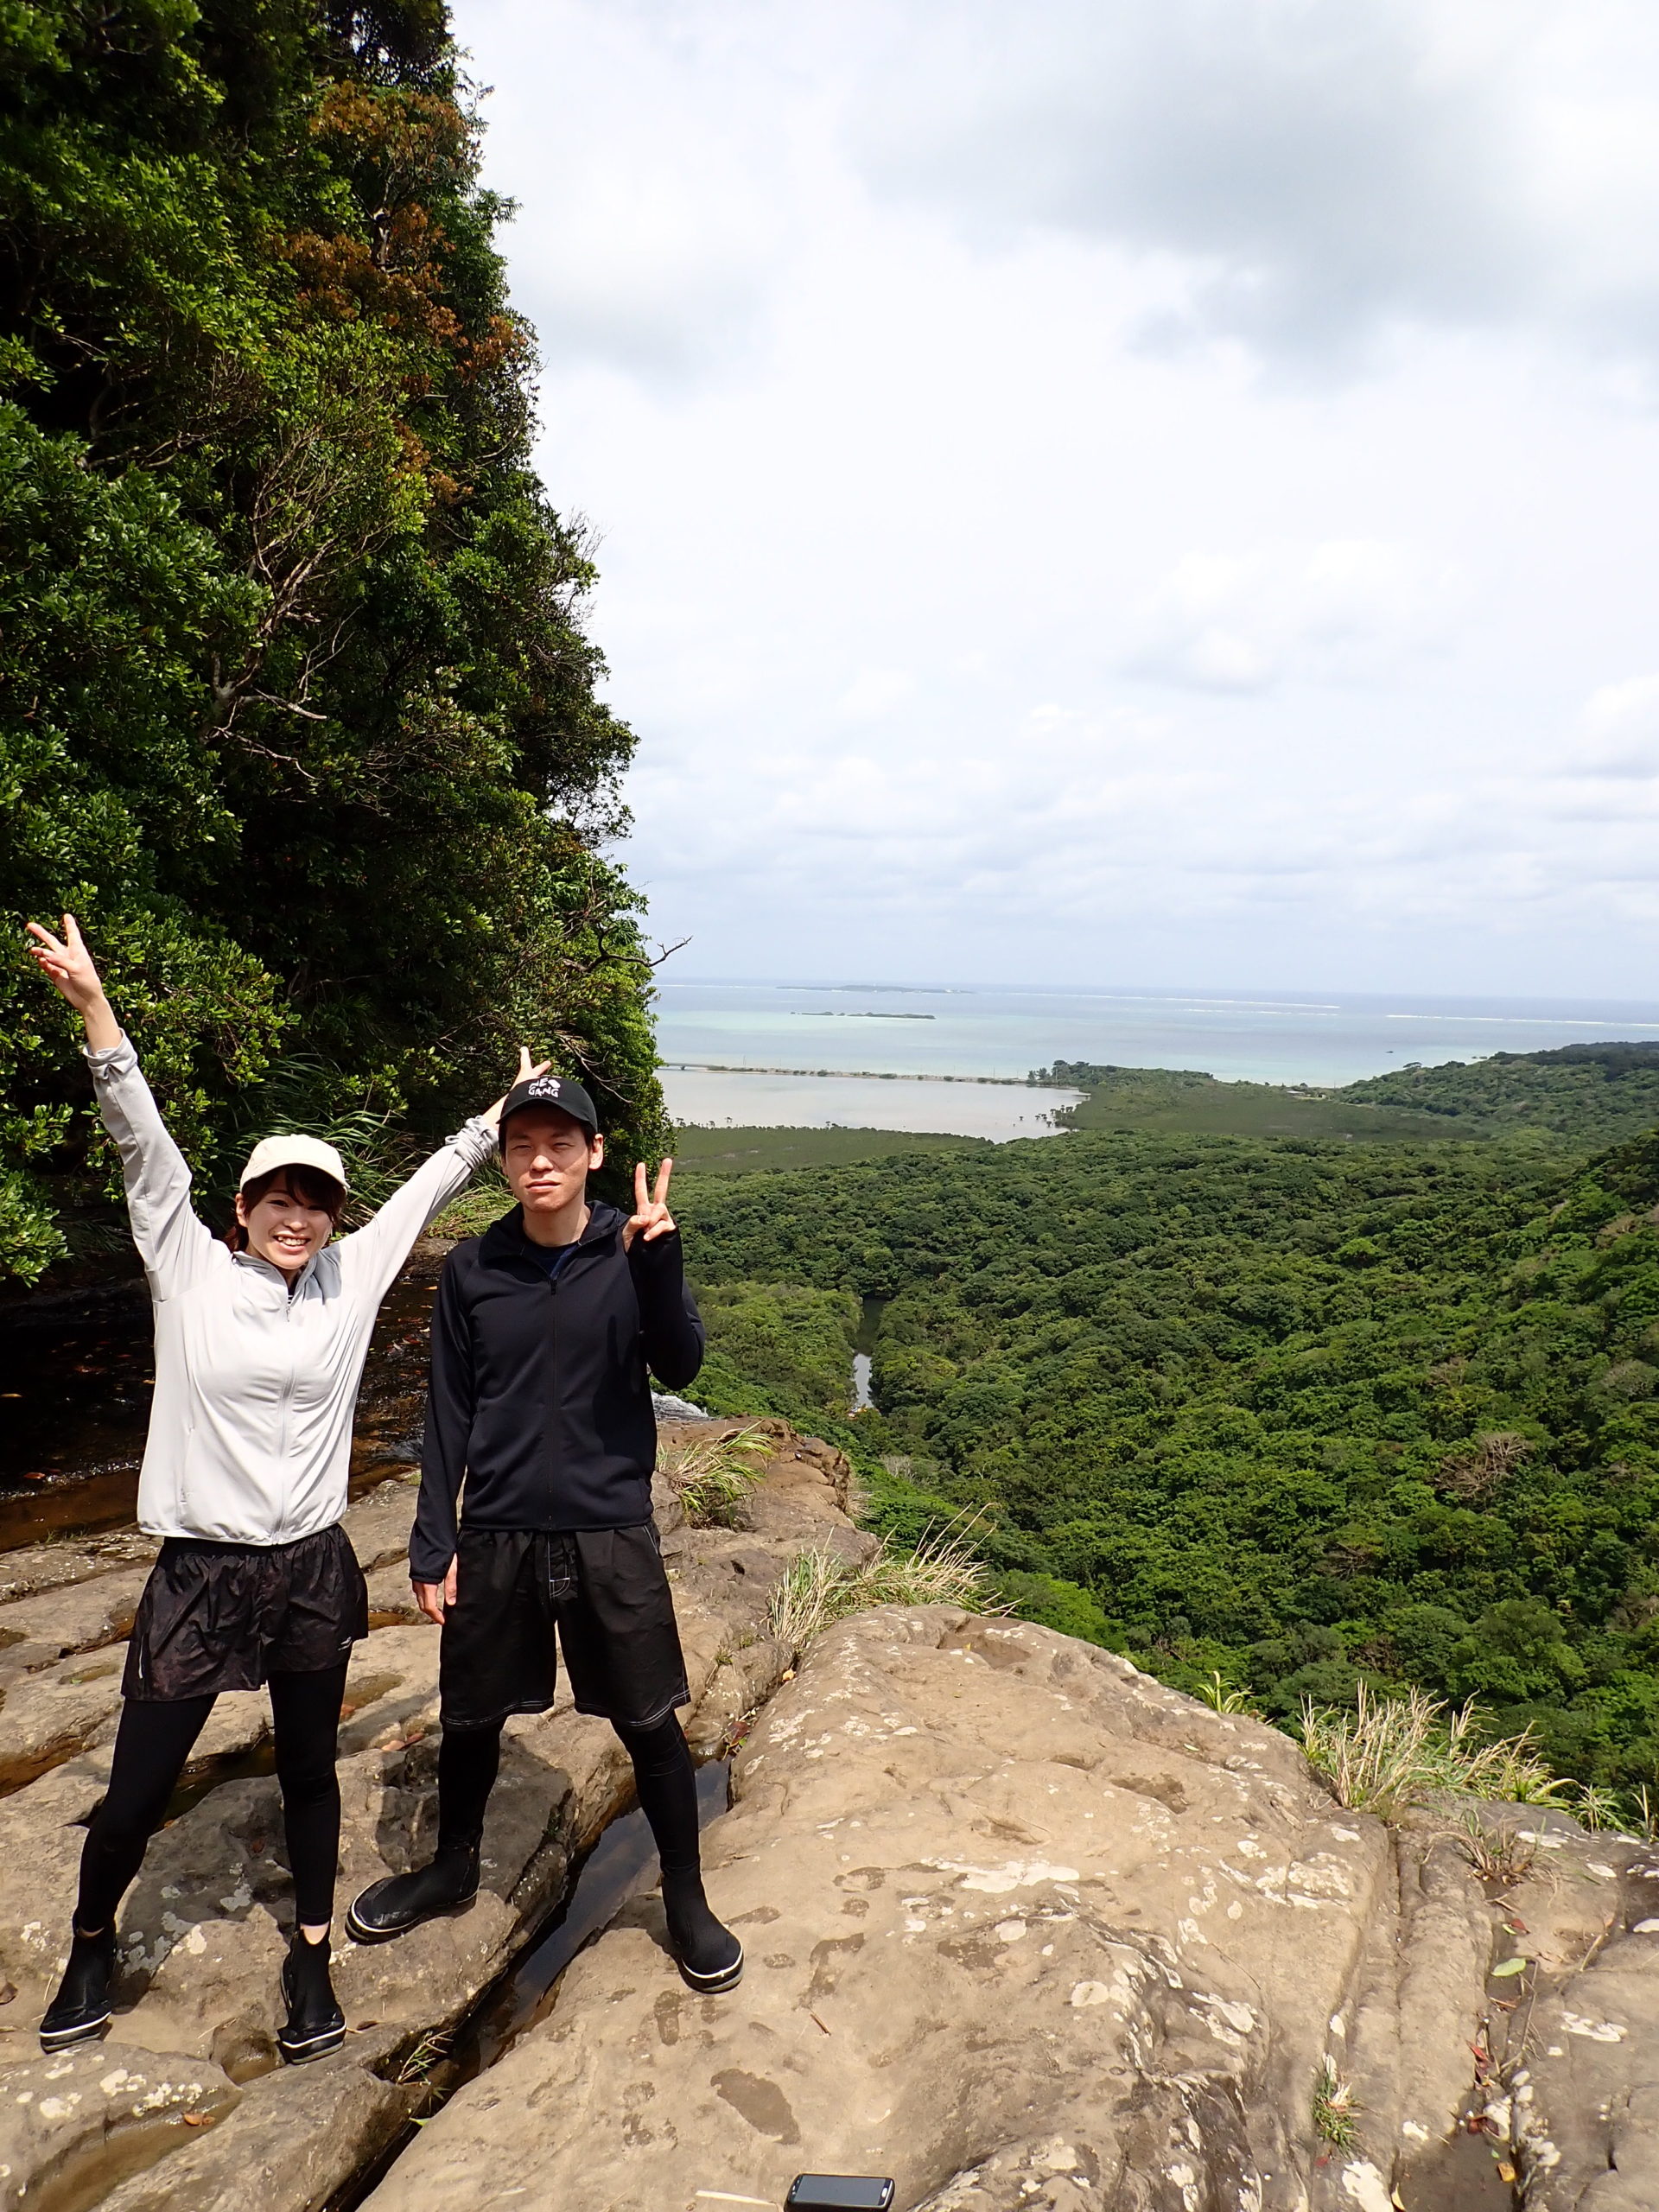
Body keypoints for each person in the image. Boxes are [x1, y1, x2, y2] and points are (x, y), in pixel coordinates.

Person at [25, 914, 543, 2061]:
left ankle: (309, 1959)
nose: (297, 1213)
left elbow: (424, 1191)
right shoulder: (187, 1271)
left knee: (311, 1772)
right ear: (243, 1208)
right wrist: (98, 1014)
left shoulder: (351, 1283)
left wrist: (499, 1114)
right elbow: (143, 1147)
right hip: (201, 1574)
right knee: (135, 1788)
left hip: (308, 1567)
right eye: (278, 1195)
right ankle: (90, 1943)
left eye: (316, 1199)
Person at [345, 1071, 743, 1993]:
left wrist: (660, 1266)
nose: (539, 1160)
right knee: (472, 1715)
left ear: (594, 1154)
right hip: (499, 1527)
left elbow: (679, 1358)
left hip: (610, 1526)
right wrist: (431, 1541)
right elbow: (448, 1411)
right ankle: (452, 1869)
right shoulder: (475, 1269)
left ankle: (684, 1897)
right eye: (523, 1145)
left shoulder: (628, 1249)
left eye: (560, 1144)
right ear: (507, 1159)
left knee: (649, 1723)